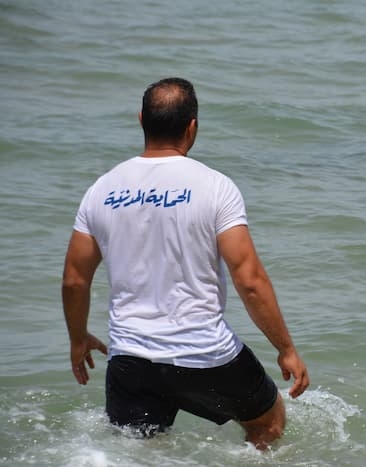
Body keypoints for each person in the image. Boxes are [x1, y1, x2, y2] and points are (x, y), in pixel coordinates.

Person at [61, 77, 309, 449]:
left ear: (141, 119)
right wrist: (286, 348)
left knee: (143, 453)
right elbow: (250, 279)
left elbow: (74, 280)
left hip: (130, 359)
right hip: (204, 355)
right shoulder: (215, 186)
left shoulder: (101, 190)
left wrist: (78, 338)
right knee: (268, 422)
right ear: (193, 126)